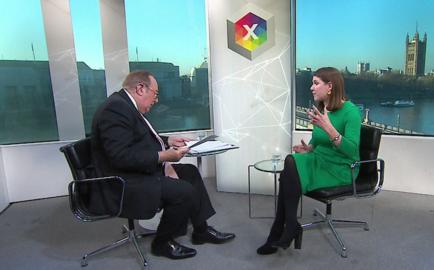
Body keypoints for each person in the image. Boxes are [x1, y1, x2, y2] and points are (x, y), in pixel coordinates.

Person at [90, 71, 235, 260]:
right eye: (155, 94)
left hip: (133, 171)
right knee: (183, 191)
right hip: (122, 181)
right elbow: (120, 157)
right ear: (140, 88)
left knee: (189, 172)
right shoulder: (116, 109)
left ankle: (201, 230)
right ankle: (162, 243)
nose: (156, 100)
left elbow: (138, 139)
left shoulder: (125, 105)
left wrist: (168, 140)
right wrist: (163, 156)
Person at [257, 67, 361, 255]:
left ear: (330, 86)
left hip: (342, 168)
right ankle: (287, 226)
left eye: (315, 83)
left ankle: (282, 229)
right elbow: (318, 141)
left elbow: (352, 151)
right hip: (320, 159)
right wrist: (309, 148)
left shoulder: (351, 112)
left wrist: (329, 128)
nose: (311, 87)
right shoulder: (323, 109)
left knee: (290, 166)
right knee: (291, 163)